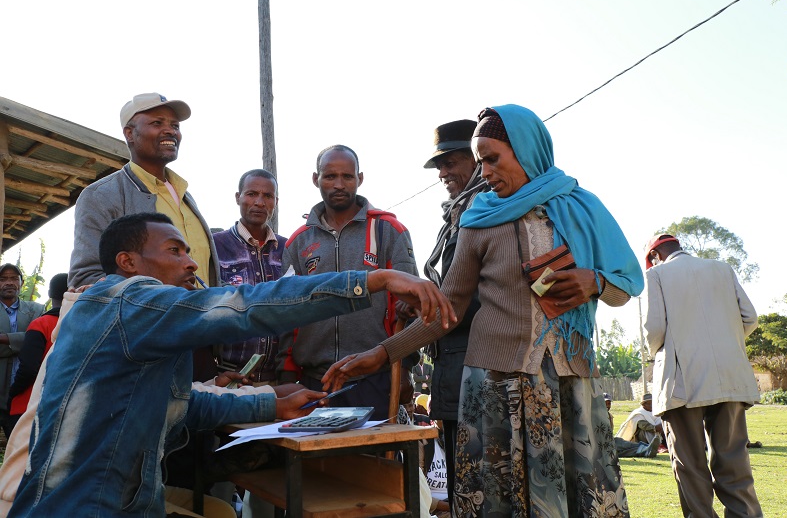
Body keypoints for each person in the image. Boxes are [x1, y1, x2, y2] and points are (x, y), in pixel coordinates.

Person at [8, 213, 454, 517]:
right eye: (175, 251)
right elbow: (244, 305)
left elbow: (184, 405)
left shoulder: (136, 323)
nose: (189, 262)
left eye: (189, 252)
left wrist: (271, 404)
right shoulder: (126, 301)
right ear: (129, 263)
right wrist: (370, 281)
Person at [324, 104, 644, 517]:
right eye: (480, 161)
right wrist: (384, 353)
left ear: (527, 150)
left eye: (493, 158)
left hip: (568, 384)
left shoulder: (582, 207)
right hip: (495, 389)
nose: (485, 172)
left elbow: (624, 288)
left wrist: (594, 281)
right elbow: (448, 310)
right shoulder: (479, 219)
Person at [277, 144, 419, 419]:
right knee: (317, 462)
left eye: (347, 176)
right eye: (330, 176)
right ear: (316, 179)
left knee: (377, 462)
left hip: (376, 378)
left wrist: (404, 369)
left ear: (360, 178)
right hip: (314, 382)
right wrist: (286, 374)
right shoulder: (298, 242)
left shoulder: (390, 231)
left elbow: (410, 308)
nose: (339, 184)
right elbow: (286, 310)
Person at [643, 233, 763, 517]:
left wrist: (661, 349)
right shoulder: (722, 268)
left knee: (690, 465)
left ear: (655, 256)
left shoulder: (656, 275)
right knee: (734, 463)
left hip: (681, 382)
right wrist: (725, 345)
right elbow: (750, 318)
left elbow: (655, 330)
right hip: (730, 377)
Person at [68, 92, 219, 290]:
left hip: (201, 319)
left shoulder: (185, 196)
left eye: (175, 125)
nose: (170, 131)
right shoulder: (102, 195)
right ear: (129, 133)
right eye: (157, 123)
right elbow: (85, 278)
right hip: (152, 319)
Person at [417, 118, 489, 504]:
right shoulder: (456, 217)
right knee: (462, 486)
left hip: (478, 372)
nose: (443, 173)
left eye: (451, 162)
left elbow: (472, 298)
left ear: (477, 160)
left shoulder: (487, 212)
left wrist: (428, 308)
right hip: (450, 369)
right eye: (439, 166)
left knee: (480, 484)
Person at [213, 169, 285, 384]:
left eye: (268, 196)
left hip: (278, 379)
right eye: (252, 194)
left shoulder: (288, 248)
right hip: (226, 378)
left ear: (276, 202)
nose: (260, 202)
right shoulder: (215, 246)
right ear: (238, 198)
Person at [7, 274, 68, 425]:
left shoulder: (41, 324)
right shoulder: (83, 325)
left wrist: (13, 393)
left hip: (29, 407)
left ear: (49, 294)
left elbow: (28, 368)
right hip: (64, 408)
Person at [0, 263, 44, 438]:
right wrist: (24, 343)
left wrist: (4, 339)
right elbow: (31, 343)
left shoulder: (36, 310)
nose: (9, 282)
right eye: (3, 279)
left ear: (21, 282)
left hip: (24, 396)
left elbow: (39, 343)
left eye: (13, 278)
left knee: (21, 452)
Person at [604, 393, 660, 459]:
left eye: (609, 404)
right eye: (605, 403)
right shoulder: (639, 413)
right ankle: (645, 449)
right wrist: (656, 428)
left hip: (607, 441)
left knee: (620, 443)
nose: (607, 406)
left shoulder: (609, 416)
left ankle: (646, 449)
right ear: (643, 404)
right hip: (599, 444)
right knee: (618, 446)